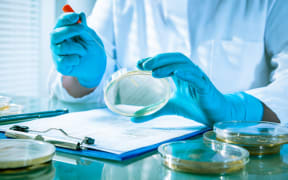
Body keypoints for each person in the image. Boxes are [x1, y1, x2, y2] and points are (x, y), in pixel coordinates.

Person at [49, 0, 288, 126]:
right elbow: (82, 89)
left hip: (235, 153)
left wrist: (239, 109)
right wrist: (85, 76)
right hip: (133, 157)